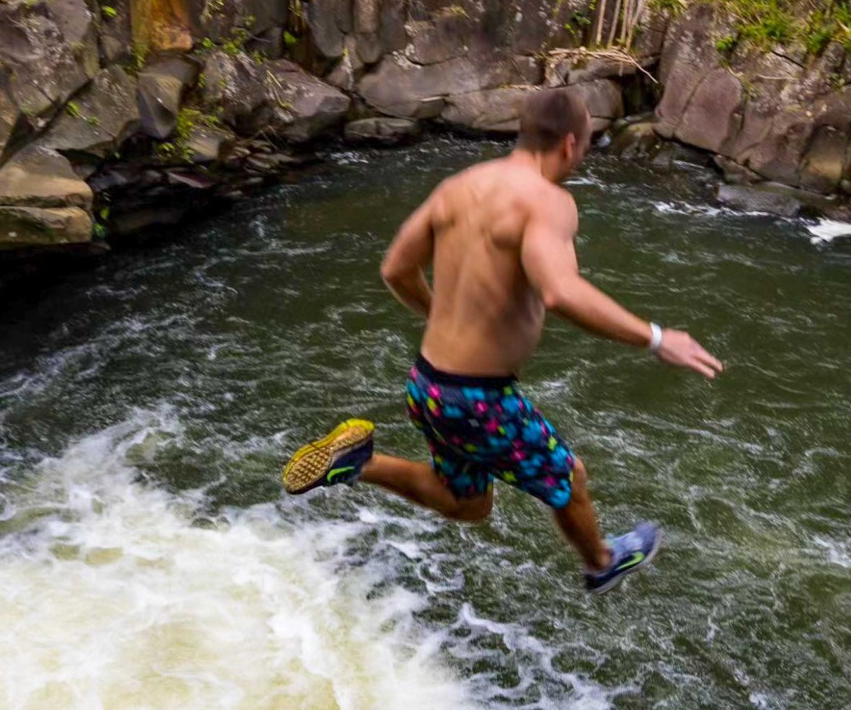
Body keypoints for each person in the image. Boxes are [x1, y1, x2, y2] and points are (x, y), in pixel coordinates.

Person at [283, 87, 724, 593]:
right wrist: (656, 338)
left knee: (467, 503)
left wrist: (441, 313)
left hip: (428, 385)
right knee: (569, 479)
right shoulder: (549, 202)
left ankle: (360, 462)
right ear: (568, 145)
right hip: (478, 399)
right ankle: (602, 563)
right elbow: (559, 292)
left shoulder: (458, 186)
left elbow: (395, 269)